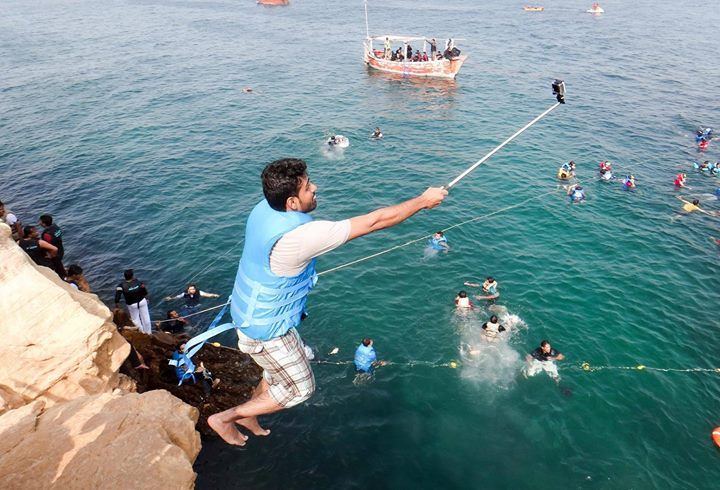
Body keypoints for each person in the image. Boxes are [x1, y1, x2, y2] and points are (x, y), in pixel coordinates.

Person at [207, 158, 447, 446]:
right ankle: (226, 417)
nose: (315, 188)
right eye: (309, 187)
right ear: (292, 202)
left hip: (253, 315)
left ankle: (250, 414)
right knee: (300, 390)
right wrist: (423, 200)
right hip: (266, 331)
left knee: (273, 370)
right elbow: (375, 220)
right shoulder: (302, 236)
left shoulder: (264, 210)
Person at [114, 269, 152, 334]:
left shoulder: (121, 286)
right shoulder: (138, 282)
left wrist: (117, 305)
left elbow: (117, 296)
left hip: (132, 305)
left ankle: (142, 333)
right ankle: (149, 333)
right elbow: (144, 291)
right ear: (132, 276)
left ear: (124, 276)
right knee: (146, 318)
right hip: (142, 302)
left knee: (135, 319)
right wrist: (146, 299)